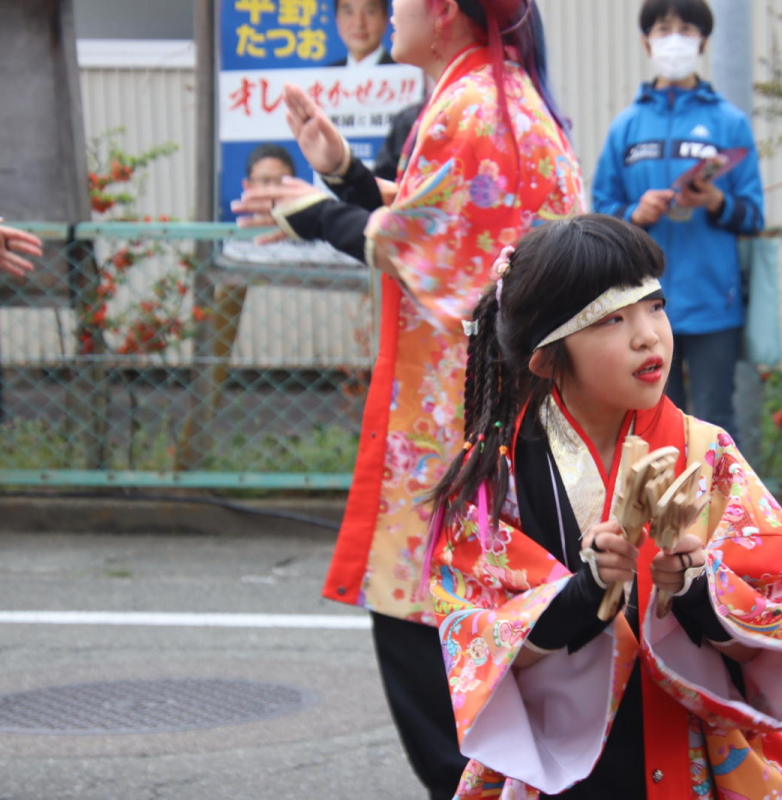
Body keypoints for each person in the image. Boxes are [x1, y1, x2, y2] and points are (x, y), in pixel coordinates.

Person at [232, 2, 583, 798]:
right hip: (490, 413)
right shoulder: (492, 96)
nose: (388, 12)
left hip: (458, 422)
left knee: (432, 628)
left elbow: (426, 240)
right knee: (477, 626)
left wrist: (318, 210)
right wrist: (347, 175)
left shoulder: (471, 106)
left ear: (446, 11)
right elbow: (453, 214)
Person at [424, 214, 782, 798]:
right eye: (612, 320)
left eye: (654, 305)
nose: (648, 335)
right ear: (547, 358)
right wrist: (586, 591)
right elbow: (473, 634)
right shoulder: (499, 475)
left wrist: (698, 589)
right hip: (560, 772)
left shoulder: (707, 452)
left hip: (684, 753)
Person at [591, 0, 764, 442]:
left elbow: (753, 216)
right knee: (650, 423)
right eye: (663, 27)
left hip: (713, 303)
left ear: (703, 41)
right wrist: (635, 215)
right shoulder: (626, 126)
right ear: (645, 41)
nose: (674, 38)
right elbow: (599, 213)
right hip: (640, 306)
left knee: (715, 421)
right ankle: (658, 513)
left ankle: (730, 512)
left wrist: (715, 201)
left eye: (686, 29)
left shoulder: (729, 122)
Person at [328, 0, 396, 67]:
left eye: (369, 11)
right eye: (349, 12)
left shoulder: (401, 73)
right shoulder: (327, 75)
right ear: (337, 19)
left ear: (385, 19)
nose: (359, 23)